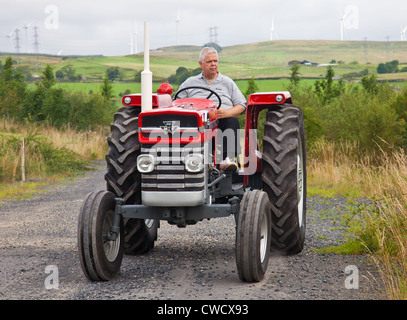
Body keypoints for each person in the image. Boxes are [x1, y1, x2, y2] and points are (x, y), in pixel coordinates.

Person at [176, 47, 247, 172]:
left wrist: (226, 113)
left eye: (215, 61)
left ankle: (227, 160)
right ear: (201, 64)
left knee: (232, 121)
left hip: (221, 121)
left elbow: (241, 104)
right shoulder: (189, 83)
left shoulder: (227, 82)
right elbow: (176, 103)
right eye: (209, 61)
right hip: (196, 123)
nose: (213, 64)